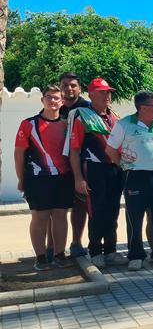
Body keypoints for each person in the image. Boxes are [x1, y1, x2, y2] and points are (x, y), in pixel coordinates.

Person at [106, 91, 153, 271]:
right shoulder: (124, 124)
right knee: (134, 217)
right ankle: (136, 255)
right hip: (135, 176)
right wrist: (124, 165)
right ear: (143, 108)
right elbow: (111, 150)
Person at [67, 78, 126, 269]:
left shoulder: (115, 116)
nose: (107, 95)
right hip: (93, 169)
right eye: (102, 92)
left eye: (108, 92)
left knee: (113, 211)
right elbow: (74, 150)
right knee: (96, 212)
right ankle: (95, 252)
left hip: (114, 169)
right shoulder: (82, 116)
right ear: (91, 94)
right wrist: (78, 178)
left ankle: (110, 251)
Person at [14, 85, 74, 270]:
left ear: (62, 102)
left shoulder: (67, 125)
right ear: (42, 100)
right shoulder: (29, 124)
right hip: (37, 179)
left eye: (56, 98)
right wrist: (21, 178)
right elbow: (19, 154)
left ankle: (59, 255)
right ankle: (40, 258)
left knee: (60, 216)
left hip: (63, 178)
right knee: (39, 217)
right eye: (49, 97)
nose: (52, 101)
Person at [58, 72, 91, 259]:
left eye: (73, 85)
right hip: (57, 167)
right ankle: (53, 248)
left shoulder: (87, 109)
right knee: (56, 208)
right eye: (65, 85)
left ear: (79, 88)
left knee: (80, 207)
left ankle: (77, 243)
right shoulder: (55, 107)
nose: (69, 88)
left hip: (80, 166)